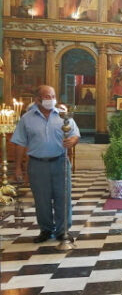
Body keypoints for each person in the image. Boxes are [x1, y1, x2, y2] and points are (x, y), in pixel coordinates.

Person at [12, 85, 80, 243]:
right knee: (41, 199)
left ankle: (63, 231)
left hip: (60, 162)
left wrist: (72, 141)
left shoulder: (63, 115)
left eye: (53, 96)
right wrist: (18, 168)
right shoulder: (27, 118)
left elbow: (75, 134)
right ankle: (46, 230)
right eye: (47, 96)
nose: (51, 99)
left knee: (63, 197)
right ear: (38, 99)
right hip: (38, 164)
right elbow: (20, 143)